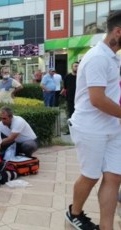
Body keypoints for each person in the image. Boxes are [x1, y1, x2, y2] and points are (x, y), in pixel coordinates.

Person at [66, 11, 121, 230]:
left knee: (114, 176)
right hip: (90, 128)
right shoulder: (98, 57)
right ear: (118, 32)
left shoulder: (112, 57)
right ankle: (74, 212)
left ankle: (106, 227)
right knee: (90, 176)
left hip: (111, 127)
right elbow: (97, 99)